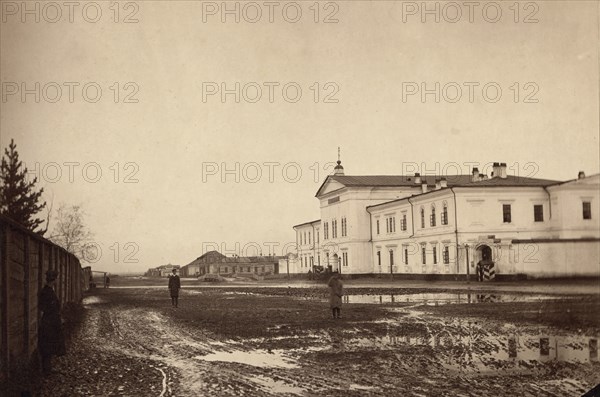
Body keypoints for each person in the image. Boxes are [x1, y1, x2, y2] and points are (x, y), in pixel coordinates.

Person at [38, 269, 66, 375]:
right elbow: (44, 307)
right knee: (47, 345)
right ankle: (46, 370)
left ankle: (47, 369)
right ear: (53, 279)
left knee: (48, 345)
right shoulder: (47, 292)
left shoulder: (48, 290)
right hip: (49, 322)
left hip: (50, 320)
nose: (57, 280)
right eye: (56, 278)